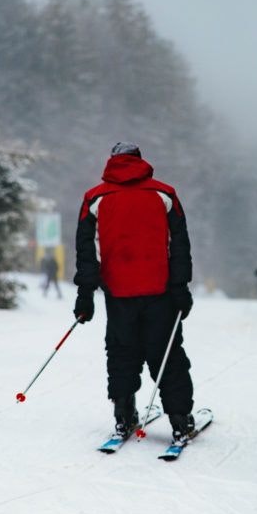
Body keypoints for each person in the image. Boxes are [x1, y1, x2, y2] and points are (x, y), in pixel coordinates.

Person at [73, 142, 195, 442]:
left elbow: (87, 250)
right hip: (161, 292)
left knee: (121, 352)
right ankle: (180, 419)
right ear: (141, 161)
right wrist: (181, 286)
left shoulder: (94, 198)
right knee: (166, 354)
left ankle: (124, 415)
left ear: (112, 161)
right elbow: (179, 245)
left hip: (118, 293)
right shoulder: (164, 194)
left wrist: (85, 293)